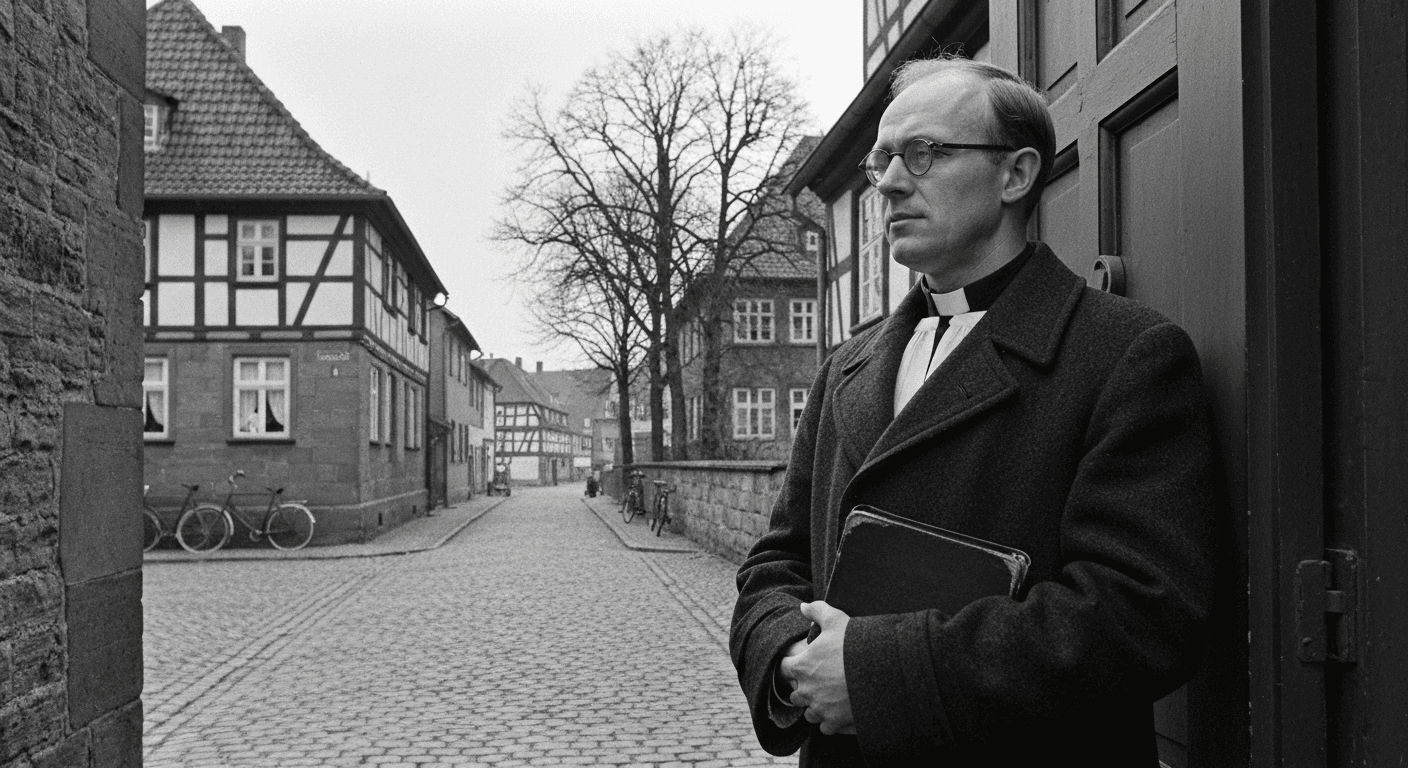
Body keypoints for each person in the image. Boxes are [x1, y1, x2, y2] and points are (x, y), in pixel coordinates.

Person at [729, 55, 1217, 766]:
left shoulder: (1126, 355)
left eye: (923, 153)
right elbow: (776, 561)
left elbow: (1141, 612)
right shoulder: (849, 364)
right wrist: (789, 660)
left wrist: (874, 674)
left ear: (1016, 175)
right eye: (882, 160)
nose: (891, 182)